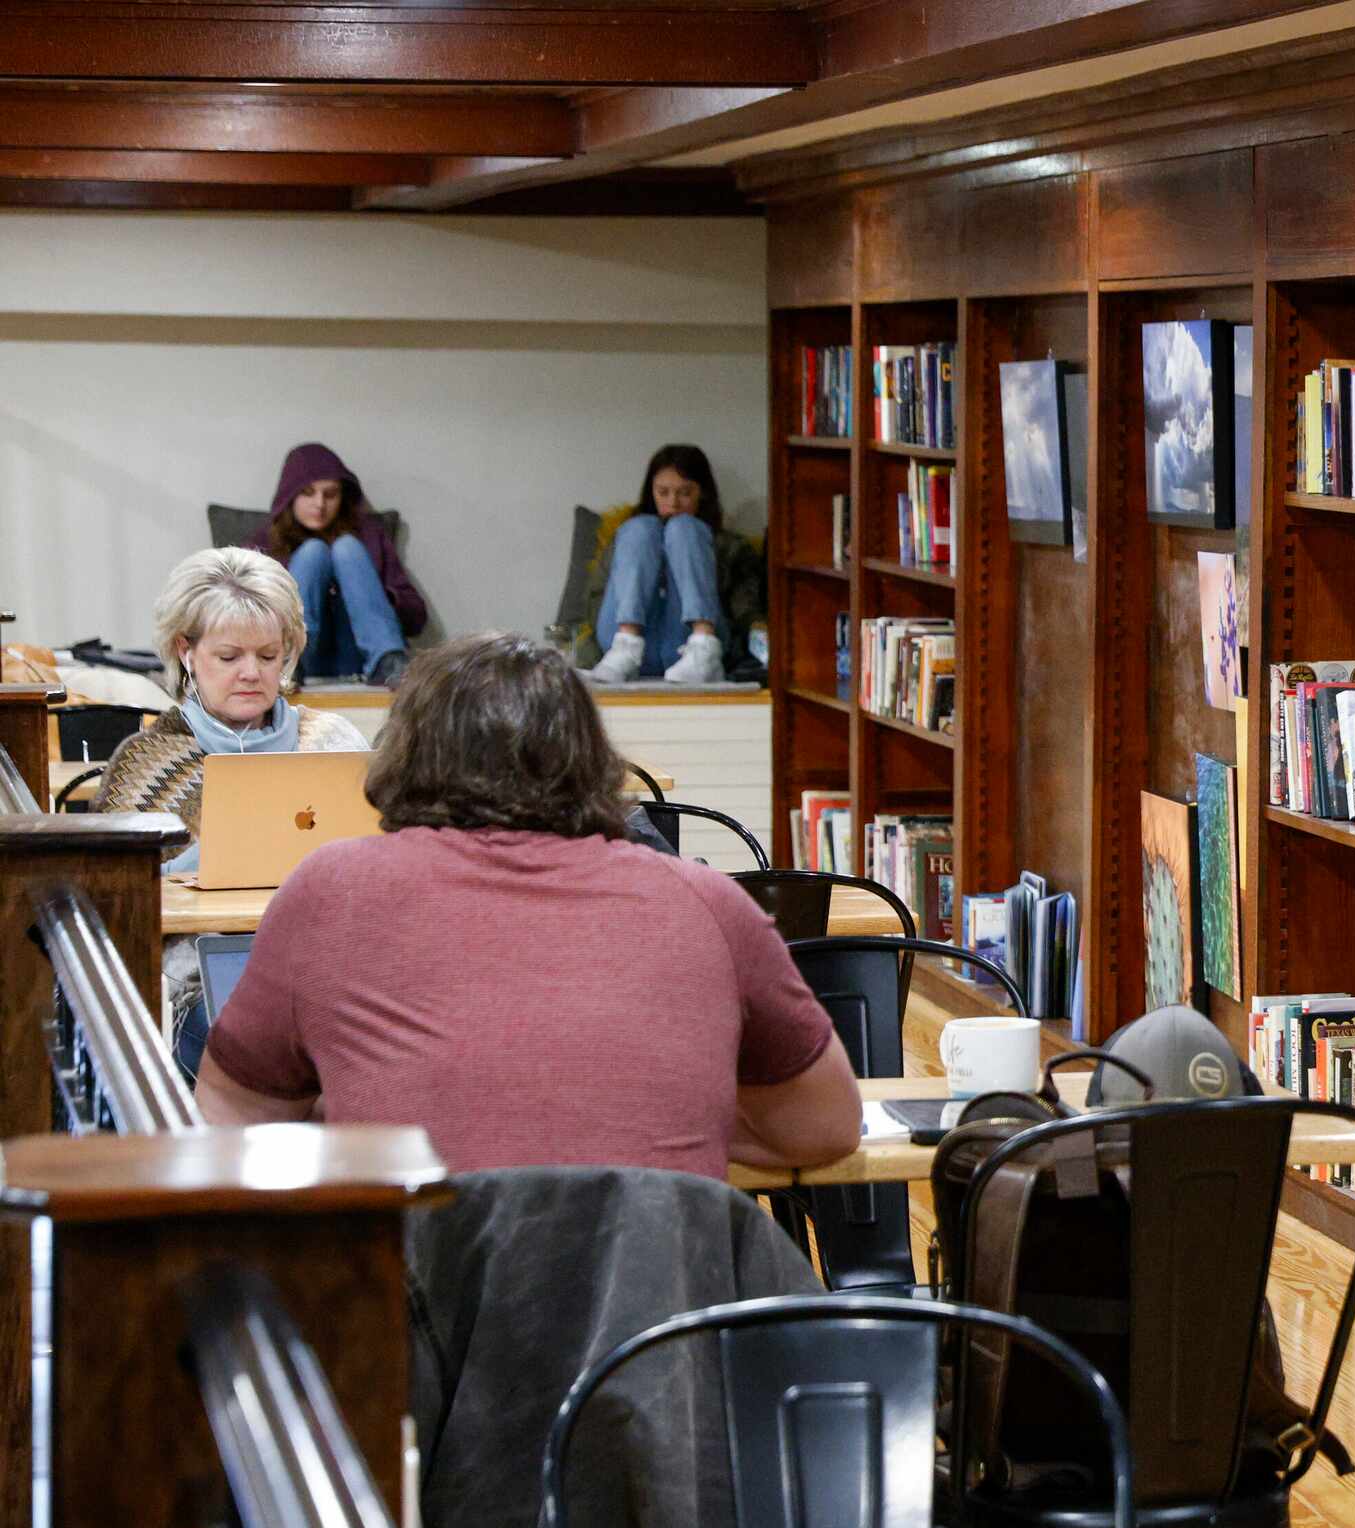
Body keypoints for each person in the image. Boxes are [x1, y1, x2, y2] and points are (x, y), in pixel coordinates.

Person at [195, 634, 862, 1178]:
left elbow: (229, 1113)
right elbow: (824, 1128)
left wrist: (353, 1120)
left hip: (414, 1324)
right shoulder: (706, 900)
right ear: (591, 755)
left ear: (404, 753)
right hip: (654, 1323)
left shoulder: (329, 890)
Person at [97, 547, 372, 1065]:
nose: (252, 673)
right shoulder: (149, 763)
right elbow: (114, 900)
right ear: (186, 651)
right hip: (199, 977)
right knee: (246, 1033)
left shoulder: (335, 742)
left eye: (269, 656)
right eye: (229, 657)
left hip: (331, 965)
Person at [247, 442, 426, 687]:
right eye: (308, 493)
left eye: (330, 494)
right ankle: (287, 662)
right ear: (291, 495)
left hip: (363, 658)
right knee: (313, 552)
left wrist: (374, 595)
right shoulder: (264, 542)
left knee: (346, 548)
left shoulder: (368, 537)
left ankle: (389, 661)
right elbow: (236, 614)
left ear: (342, 497)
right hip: (296, 661)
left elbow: (417, 618)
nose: (320, 504)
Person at [589, 445, 748, 685]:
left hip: (688, 640)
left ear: (702, 493)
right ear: (651, 492)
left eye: (684, 493)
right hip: (624, 642)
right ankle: (626, 647)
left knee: (685, 527)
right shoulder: (628, 536)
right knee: (640, 528)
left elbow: (746, 610)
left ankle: (703, 650)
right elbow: (596, 598)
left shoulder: (728, 545)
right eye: (663, 492)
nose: (673, 503)